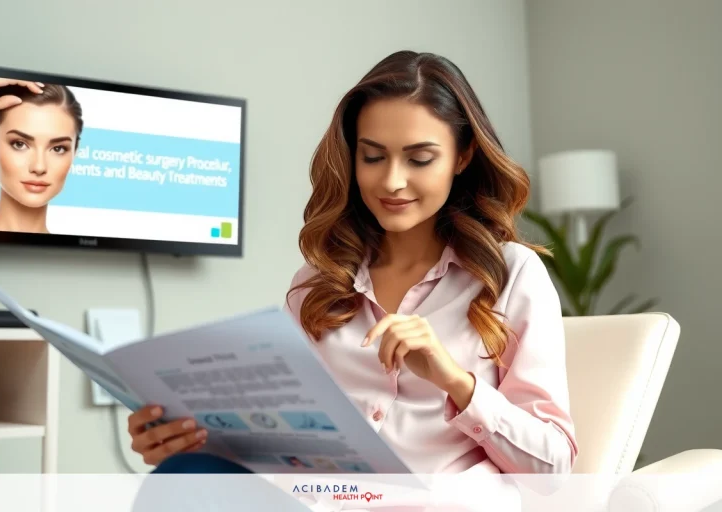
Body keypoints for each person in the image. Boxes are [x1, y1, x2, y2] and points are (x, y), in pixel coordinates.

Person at [128, 50, 578, 510]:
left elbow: (553, 470)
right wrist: (191, 440)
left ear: (462, 156)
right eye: (373, 156)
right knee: (185, 473)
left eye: (420, 159)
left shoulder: (511, 273)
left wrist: (454, 380)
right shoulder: (316, 285)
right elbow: (288, 449)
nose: (392, 181)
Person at [0, 74, 83, 234]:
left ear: (74, 152)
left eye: (58, 148)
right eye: (20, 144)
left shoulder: (81, 257)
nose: (39, 167)